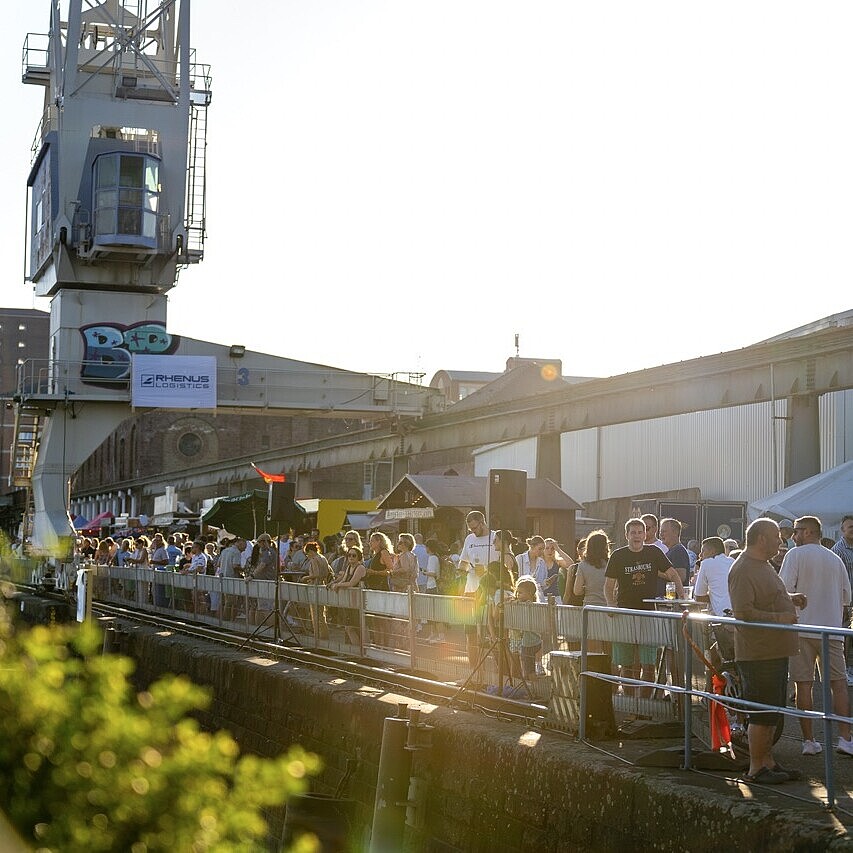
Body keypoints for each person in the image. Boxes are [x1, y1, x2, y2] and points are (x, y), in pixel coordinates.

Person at [728, 518, 806, 784]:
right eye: (776, 536)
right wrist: (781, 618)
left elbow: (767, 596)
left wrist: (790, 599)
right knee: (761, 712)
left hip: (774, 649)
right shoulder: (743, 569)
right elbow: (743, 612)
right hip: (758, 652)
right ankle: (756, 768)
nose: (780, 541)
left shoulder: (763, 565)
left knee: (772, 710)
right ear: (762, 539)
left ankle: (768, 762)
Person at [779, 516, 853, 757]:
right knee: (839, 684)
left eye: (797, 531)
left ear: (809, 532)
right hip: (831, 629)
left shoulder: (794, 556)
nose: (793, 535)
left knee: (804, 685)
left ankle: (809, 741)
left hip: (801, 627)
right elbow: (846, 597)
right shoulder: (835, 558)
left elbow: (783, 590)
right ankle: (845, 738)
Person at [604, 518, 684, 697]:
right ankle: (631, 703)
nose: (637, 536)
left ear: (645, 534)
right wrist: (611, 605)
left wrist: (682, 598)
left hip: (648, 613)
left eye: (640, 532)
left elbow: (674, 575)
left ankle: (646, 706)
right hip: (624, 614)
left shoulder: (654, 552)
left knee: (649, 664)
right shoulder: (618, 555)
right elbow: (608, 586)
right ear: (626, 535)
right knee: (627, 664)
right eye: (633, 532)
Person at [458, 511, 497, 669]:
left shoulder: (496, 537)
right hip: (471, 591)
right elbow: (464, 562)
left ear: (482, 523)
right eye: (470, 529)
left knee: (494, 634)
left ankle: (499, 671)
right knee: (471, 634)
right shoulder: (469, 539)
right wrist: (460, 570)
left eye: (475, 527)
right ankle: (474, 671)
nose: (473, 531)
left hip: (490, 592)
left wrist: (487, 570)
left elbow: (506, 565)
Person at [330, 545, 366, 645]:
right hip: (349, 601)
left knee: (354, 627)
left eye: (354, 555)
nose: (351, 557)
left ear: (358, 557)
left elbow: (352, 583)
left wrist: (337, 585)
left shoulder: (360, 568)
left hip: (358, 602)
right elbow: (344, 579)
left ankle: (360, 651)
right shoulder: (349, 567)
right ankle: (356, 650)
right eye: (349, 555)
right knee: (349, 627)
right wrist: (334, 583)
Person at [831, 515, 853, 684]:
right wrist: (843, 603)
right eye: (850, 527)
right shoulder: (838, 550)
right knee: (845, 637)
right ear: (843, 530)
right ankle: (845, 670)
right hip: (847, 601)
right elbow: (836, 579)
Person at [693, 536, 734, 616]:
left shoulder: (706, 563)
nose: (700, 555)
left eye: (703, 551)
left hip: (722, 616)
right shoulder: (732, 561)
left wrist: (713, 596)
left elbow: (698, 596)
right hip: (739, 613)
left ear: (712, 551)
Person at [515, 536, 547, 602]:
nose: (542, 551)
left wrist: (546, 583)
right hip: (522, 599)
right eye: (540, 549)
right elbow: (516, 579)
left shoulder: (542, 562)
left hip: (538, 599)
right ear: (532, 547)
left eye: (543, 549)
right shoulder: (520, 559)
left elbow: (542, 585)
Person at [660, 518, 691, 586]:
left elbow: (681, 577)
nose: (661, 534)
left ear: (675, 532)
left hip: (675, 595)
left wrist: (657, 573)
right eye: (660, 532)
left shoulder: (678, 551)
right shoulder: (673, 550)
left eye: (664, 531)